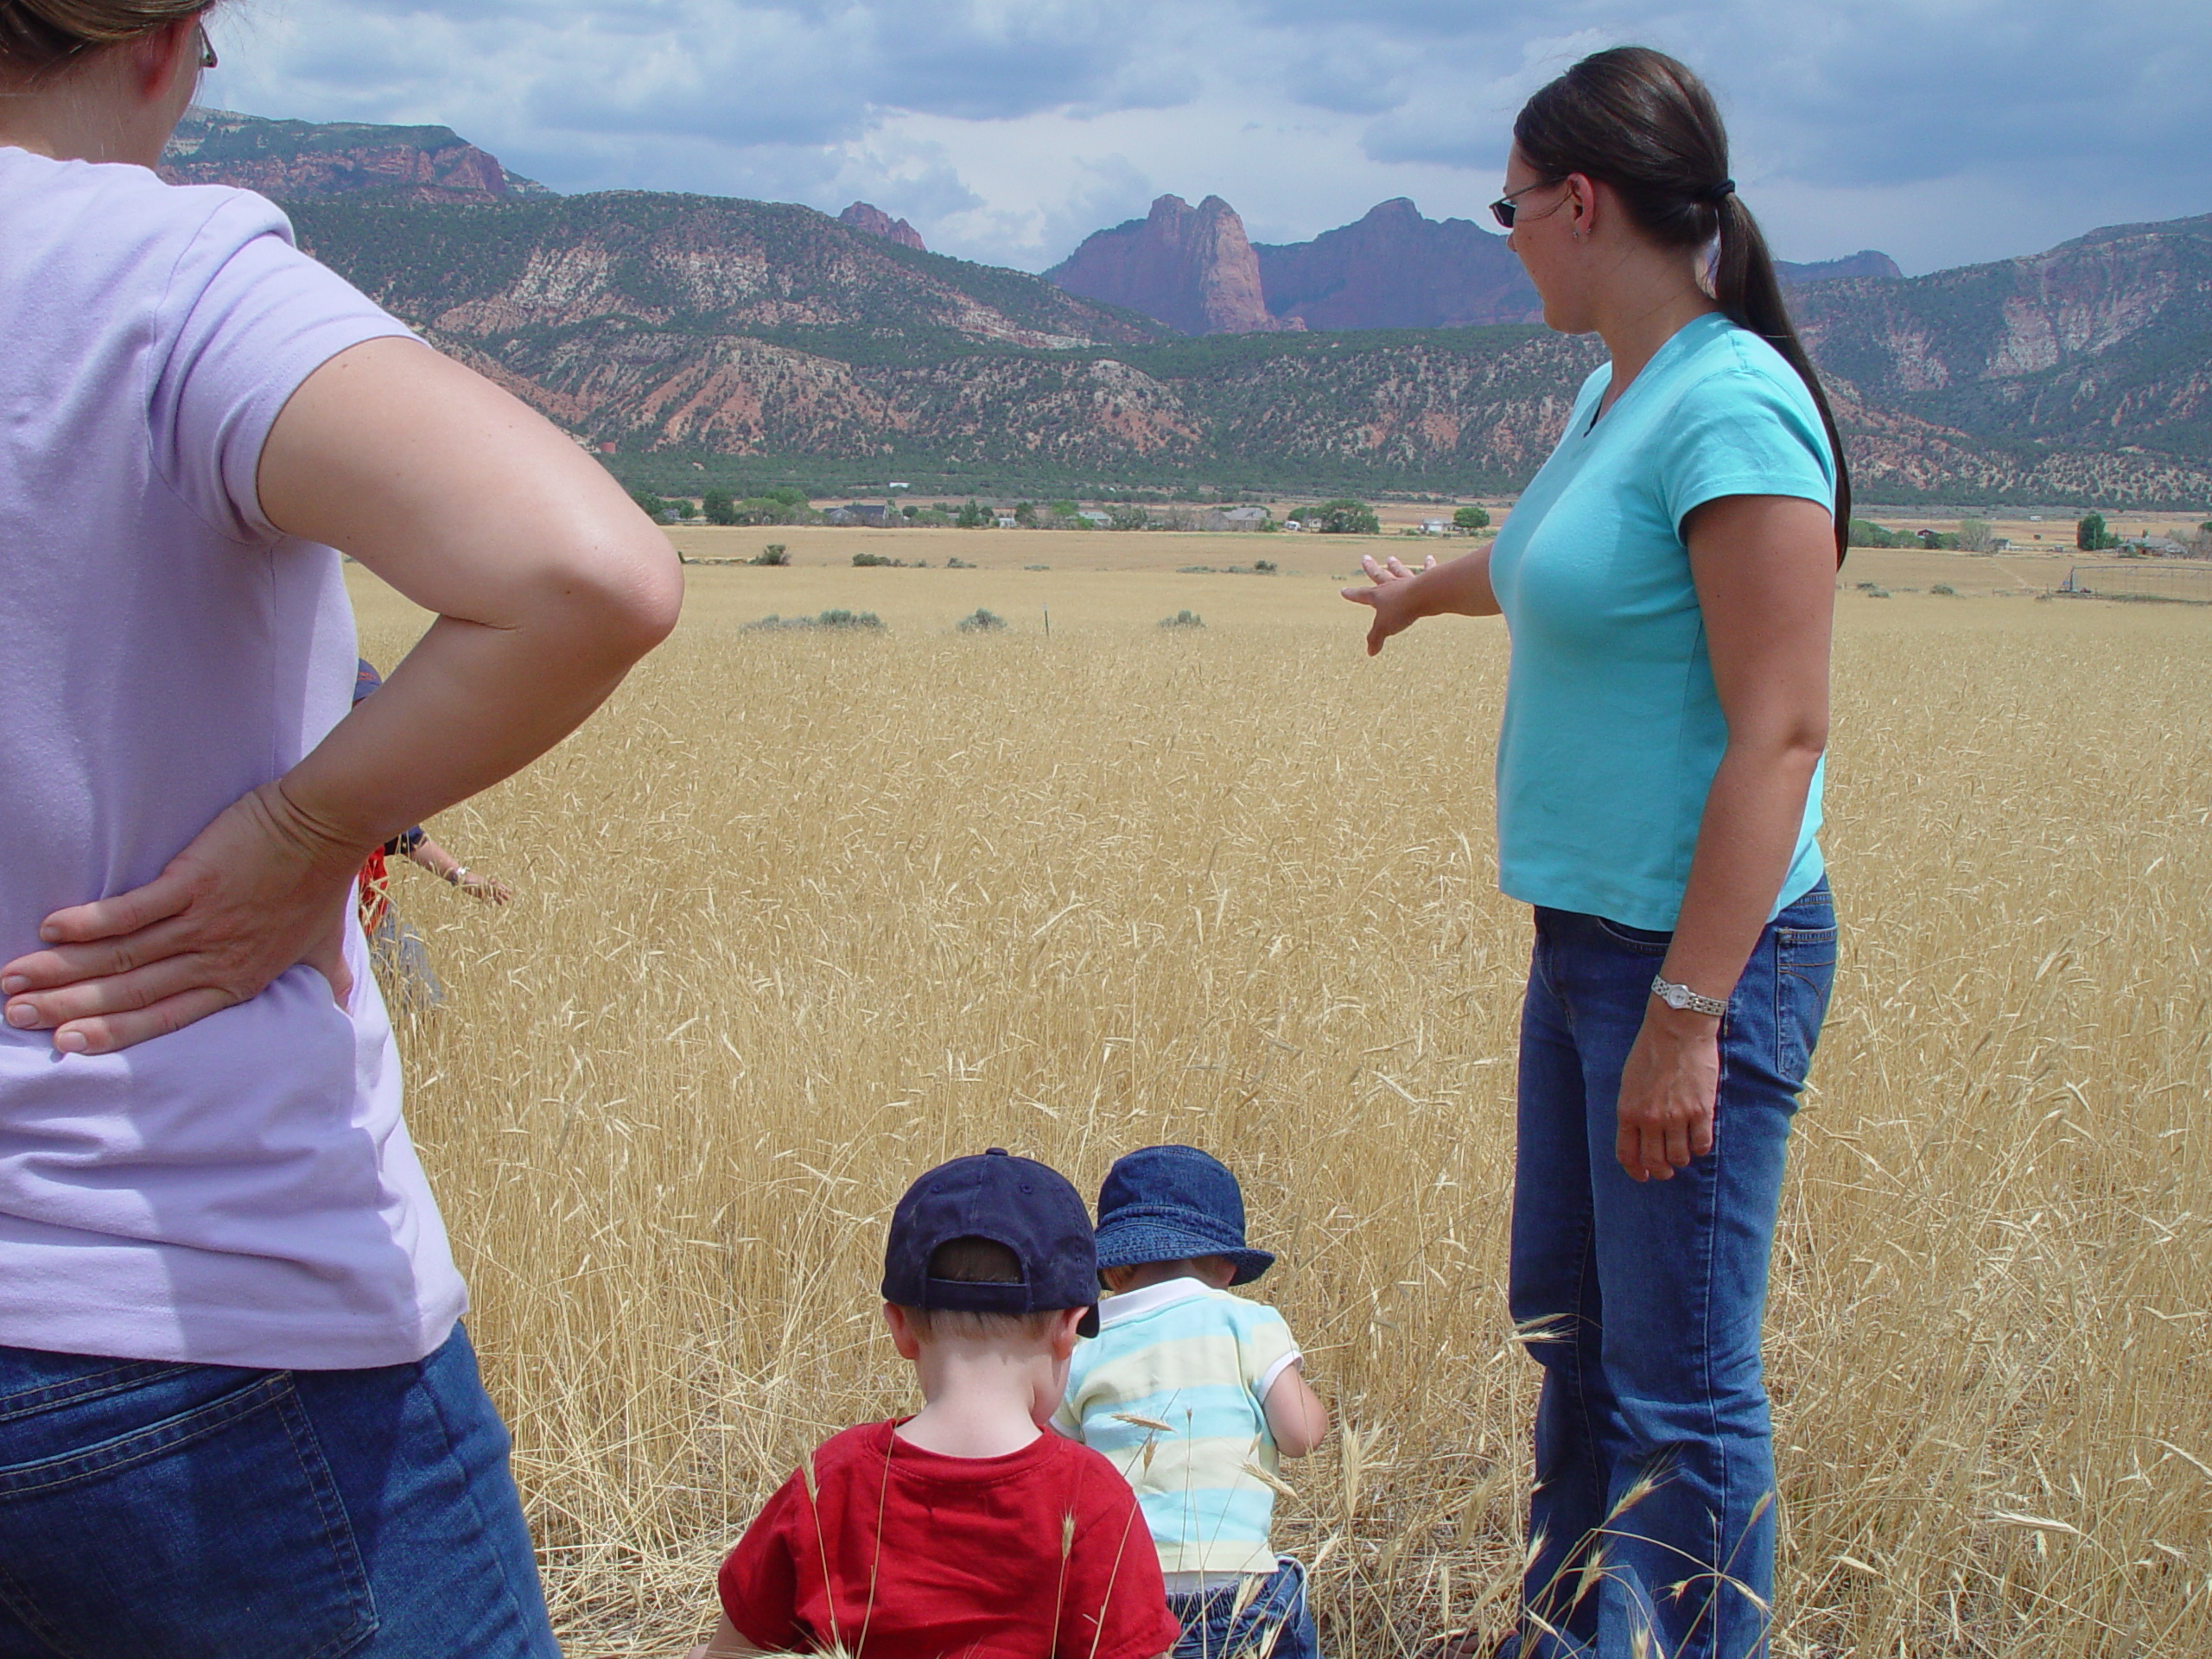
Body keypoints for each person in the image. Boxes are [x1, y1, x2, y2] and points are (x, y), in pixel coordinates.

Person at [0, 4, 681, 1654]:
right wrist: (311, 825)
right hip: (186, 1326)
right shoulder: (150, 276)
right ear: (164, 48)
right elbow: (588, 571)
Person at [1340, 46, 1845, 1659]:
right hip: (1587, 943)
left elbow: (1781, 732)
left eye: (1507, 208)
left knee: (1679, 1383)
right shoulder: (1616, 391)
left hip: (1690, 962)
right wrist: (1430, 588)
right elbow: (1565, 558)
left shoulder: (1738, 402)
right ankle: (1571, 1635)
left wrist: (1690, 1022)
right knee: (1572, 1326)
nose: (1501, 240)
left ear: (1579, 201)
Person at [688, 1149, 1180, 1659]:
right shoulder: (1093, 1498)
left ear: (899, 1326)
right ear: (1070, 1329)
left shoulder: (830, 1481)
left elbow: (732, 1650)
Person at [1055, 1146, 1331, 1659]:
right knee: (1287, 1582)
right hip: (1238, 1589)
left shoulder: (1082, 1344)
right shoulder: (1248, 1323)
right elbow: (1303, 1435)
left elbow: (1060, 1467)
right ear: (1228, 1267)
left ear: (1113, 1271)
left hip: (1121, 1588)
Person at [353, 658, 514, 1008]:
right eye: (354, 711)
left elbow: (410, 840)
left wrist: (464, 878)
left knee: (424, 1007)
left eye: (370, 710)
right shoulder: (299, 784)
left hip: (375, 918)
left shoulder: (374, 778)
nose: (365, 724)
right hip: (323, 937)